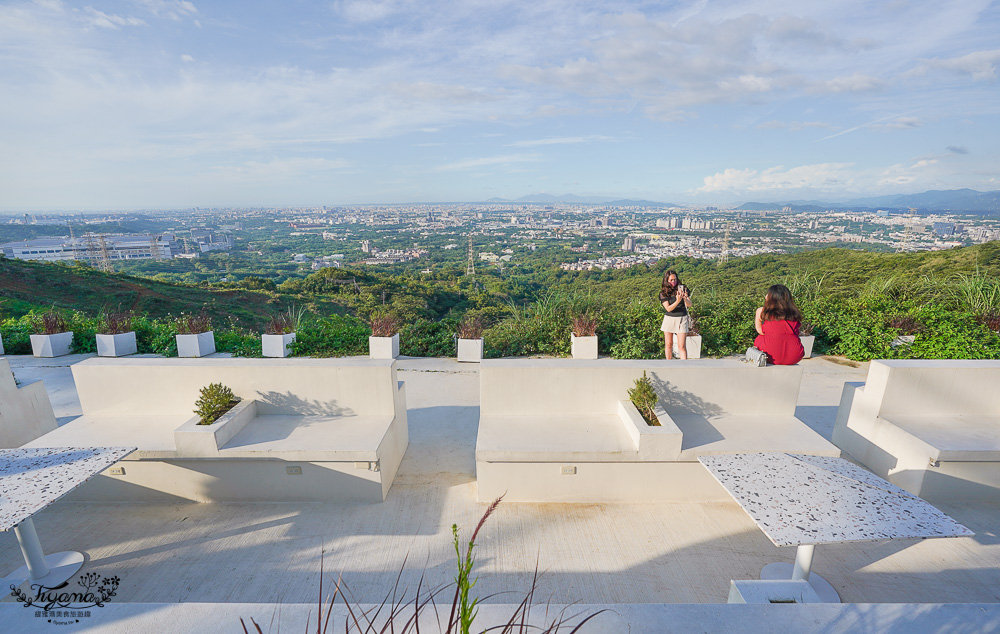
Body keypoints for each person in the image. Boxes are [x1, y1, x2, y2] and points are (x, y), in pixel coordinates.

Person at [747, 284, 805, 366]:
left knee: (760, 338)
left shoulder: (762, 311)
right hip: (795, 356)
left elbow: (760, 331)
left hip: (770, 356)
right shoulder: (794, 313)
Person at [659, 269, 692, 360]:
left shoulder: (683, 288)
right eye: (671, 280)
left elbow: (689, 304)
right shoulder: (663, 293)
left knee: (682, 346)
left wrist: (685, 298)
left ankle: (684, 366)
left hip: (682, 318)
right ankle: (669, 364)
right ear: (667, 281)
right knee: (668, 344)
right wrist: (677, 301)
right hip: (670, 318)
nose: (674, 282)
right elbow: (668, 308)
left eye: (675, 279)